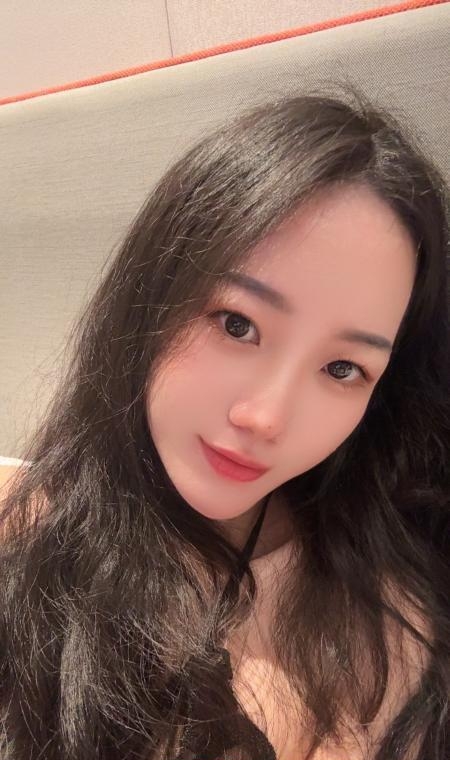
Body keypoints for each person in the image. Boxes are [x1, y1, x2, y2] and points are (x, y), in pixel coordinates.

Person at [0, 85, 448, 760]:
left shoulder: (387, 635)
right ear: (153, 298)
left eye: (342, 368)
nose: (265, 417)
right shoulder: (27, 527)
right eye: (237, 324)